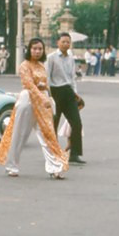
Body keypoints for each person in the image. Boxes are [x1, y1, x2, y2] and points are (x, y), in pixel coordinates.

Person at [0, 38, 69, 179]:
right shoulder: (24, 65)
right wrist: (42, 98)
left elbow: (45, 84)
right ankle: (12, 166)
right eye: (34, 48)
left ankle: (55, 167)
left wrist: (47, 94)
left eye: (40, 49)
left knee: (48, 135)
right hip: (27, 100)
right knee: (19, 134)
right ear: (29, 50)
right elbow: (29, 85)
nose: (37, 51)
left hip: (43, 102)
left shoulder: (42, 65)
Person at [46, 33, 86, 165]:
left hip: (69, 92)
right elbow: (47, 77)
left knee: (76, 123)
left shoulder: (71, 58)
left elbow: (72, 77)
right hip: (55, 92)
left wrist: (75, 94)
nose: (65, 44)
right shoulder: (51, 58)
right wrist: (48, 95)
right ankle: (52, 153)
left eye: (68, 42)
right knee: (53, 124)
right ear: (58, 42)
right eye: (63, 41)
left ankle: (74, 154)